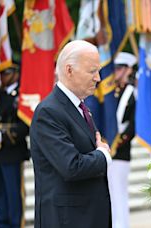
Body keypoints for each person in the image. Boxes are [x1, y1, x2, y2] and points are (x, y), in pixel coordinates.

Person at [30, 40, 113, 228]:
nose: (98, 78)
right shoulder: (49, 112)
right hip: (67, 220)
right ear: (69, 70)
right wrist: (103, 155)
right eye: (92, 71)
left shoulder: (80, 108)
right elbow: (71, 166)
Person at [0, 63, 29, 228]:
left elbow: (25, 124)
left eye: (4, 73)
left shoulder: (23, 95)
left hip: (12, 152)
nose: (0, 77)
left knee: (13, 195)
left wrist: (3, 136)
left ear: (15, 73)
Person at [110, 52, 137, 228]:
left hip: (121, 151)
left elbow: (133, 125)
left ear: (128, 70)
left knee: (119, 194)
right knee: (110, 194)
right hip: (108, 149)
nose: (116, 72)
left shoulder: (132, 93)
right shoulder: (111, 93)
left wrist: (118, 142)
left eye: (120, 68)